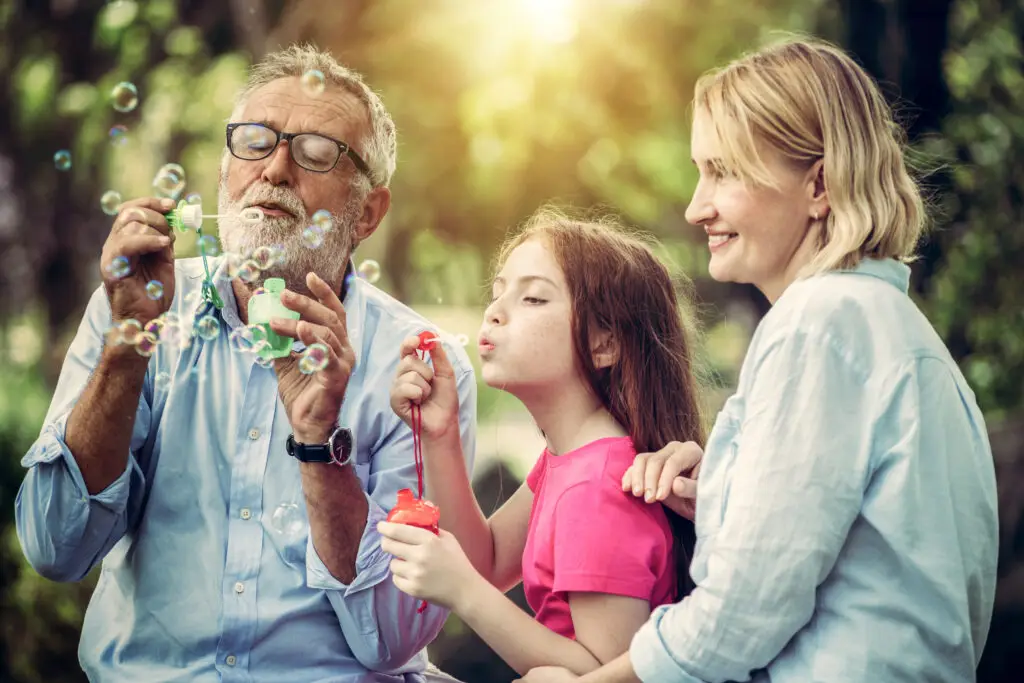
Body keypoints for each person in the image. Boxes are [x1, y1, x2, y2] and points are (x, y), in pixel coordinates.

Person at [518, 37, 1000, 683]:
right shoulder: (881, 326)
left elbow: (742, 614)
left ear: (819, 185)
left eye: (724, 171)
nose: (697, 206)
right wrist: (721, 492)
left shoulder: (820, 325)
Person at [15, 44, 478, 682]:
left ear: (368, 212)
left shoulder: (421, 364)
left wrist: (319, 445)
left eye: (317, 152)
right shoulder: (138, 309)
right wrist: (128, 343)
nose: (276, 169)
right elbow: (54, 547)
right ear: (224, 173)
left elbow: (393, 639)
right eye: (254, 142)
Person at [376, 210, 706, 678]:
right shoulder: (571, 460)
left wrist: (464, 591)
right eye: (497, 293)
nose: (495, 311)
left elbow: (604, 672)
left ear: (604, 344)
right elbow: (487, 561)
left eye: (532, 298)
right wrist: (440, 435)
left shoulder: (598, 486)